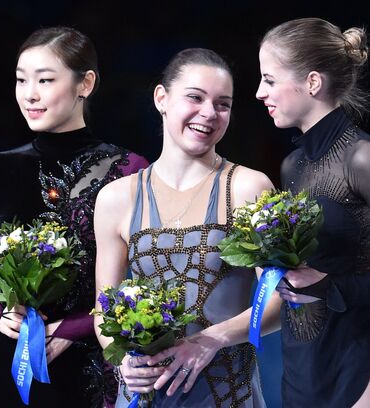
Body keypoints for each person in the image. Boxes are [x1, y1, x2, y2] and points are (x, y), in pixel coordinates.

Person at [0, 26, 148, 407]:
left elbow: (145, 281)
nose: (29, 94)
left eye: (45, 79)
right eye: (22, 80)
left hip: (95, 366)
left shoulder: (129, 170)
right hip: (19, 364)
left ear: (85, 83)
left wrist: (78, 326)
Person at [255, 18, 370, 408]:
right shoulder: (292, 165)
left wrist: (331, 286)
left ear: (312, 82)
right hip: (304, 363)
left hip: (362, 360)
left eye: (270, 80)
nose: (259, 92)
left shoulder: (364, 157)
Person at [93, 48, 281, 407]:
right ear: (161, 99)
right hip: (144, 394)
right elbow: (105, 307)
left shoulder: (248, 188)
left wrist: (211, 339)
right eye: (195, 97)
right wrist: (121, 361)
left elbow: (279, 301)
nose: (209, 113)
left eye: (222, 104)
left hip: (227, 393)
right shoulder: (117, 198)